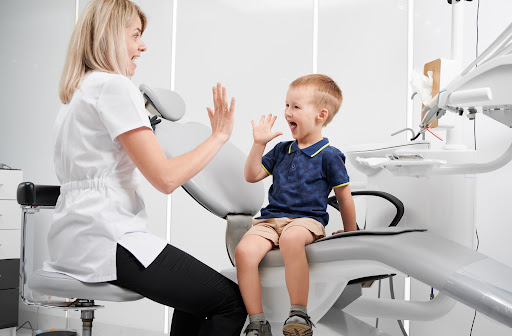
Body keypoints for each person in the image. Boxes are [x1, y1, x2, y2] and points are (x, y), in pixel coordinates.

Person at [46, 0, 246, 335]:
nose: (143, 45)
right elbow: (166, 178)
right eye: (135, 34)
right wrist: (219, 137)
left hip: (75, 239)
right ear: (110, 35)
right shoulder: (115, 87)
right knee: (230, 302)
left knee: (195, 300)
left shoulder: (78, 94)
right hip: (108, 239)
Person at [235, 74, 357, 336]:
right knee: (244, 252)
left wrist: (350, 234)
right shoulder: (281, 150)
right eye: (287, 105)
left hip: (306, 220)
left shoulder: (329, 155)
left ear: (320, 115)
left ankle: (299, 313)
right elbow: (252, 175)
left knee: (291, 239)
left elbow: (345, 197)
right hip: (270, 220)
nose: (287, 112)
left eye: (296, 107)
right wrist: (259, 144)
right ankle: (257, 321)